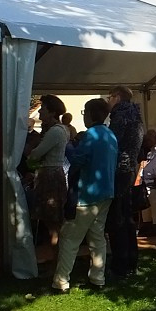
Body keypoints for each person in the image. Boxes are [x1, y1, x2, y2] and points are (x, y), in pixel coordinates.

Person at [52, 97, 118, 293]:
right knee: (97, 237)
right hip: (106, 192)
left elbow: (78, 161)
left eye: (84, 112)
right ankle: (98, 278)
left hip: (88, 193)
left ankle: (61, 281)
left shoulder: (91, 135)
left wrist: (70, 147)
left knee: (70, 238)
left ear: (91, 114)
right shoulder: (110, 134)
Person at [105, 85, 144, 279]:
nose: (108, 101)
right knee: (127, 219)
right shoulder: (136, 115)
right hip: (129, 169)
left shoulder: (120, 115)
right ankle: (131, 261)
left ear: (117, 97)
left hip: (119, 169)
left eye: (109, 97)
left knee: (117, 219)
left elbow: (112, 143)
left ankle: (120, 265)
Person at [27, 95, 70, 253]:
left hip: (50, 176)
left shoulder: (56, 131)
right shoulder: (56, 130)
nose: (39, 114)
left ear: (52, 112)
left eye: (43, 109)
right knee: (51, 223)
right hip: (50, 174)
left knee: (53, 224)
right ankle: (57, 261)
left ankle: (57, 263)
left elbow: (36, 154)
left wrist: (29, 152)